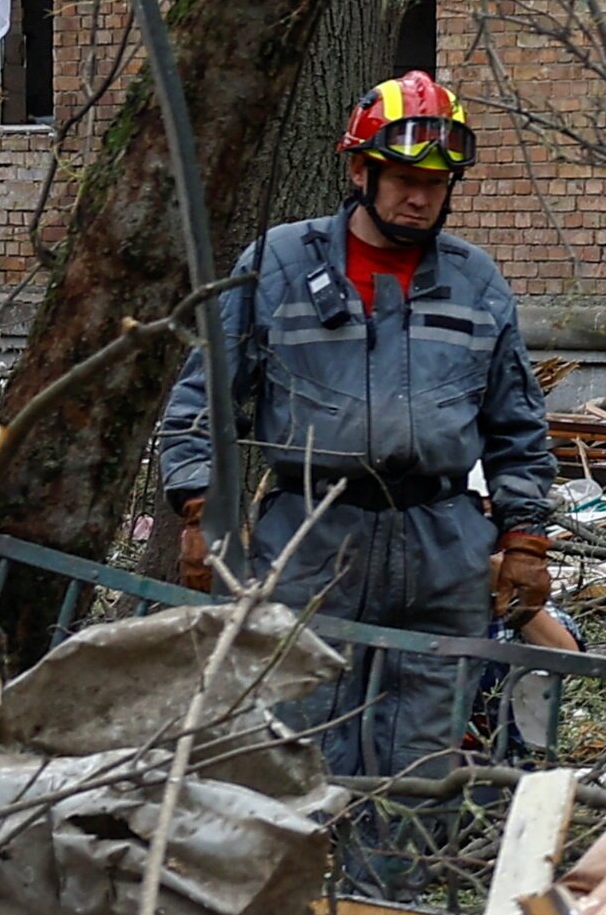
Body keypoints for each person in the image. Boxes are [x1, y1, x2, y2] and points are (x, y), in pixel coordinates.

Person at [156, 73, 555, 797]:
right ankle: (303, 905)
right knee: (296, 754)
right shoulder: (279, 264)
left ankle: (392, 901)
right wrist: (198, 511)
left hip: (441, 547)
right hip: (312, 540)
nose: (420, 197)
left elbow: (516, 424)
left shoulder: (476, 282)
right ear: (358, 169)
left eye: (437, 183)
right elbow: (201, 398)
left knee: (420, 764)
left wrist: (524, 536)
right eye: (403, 177)